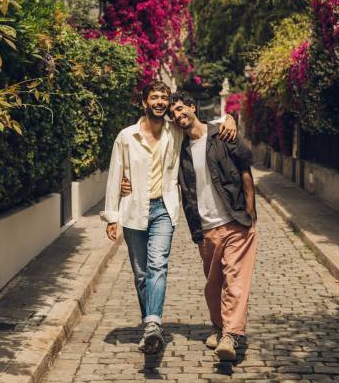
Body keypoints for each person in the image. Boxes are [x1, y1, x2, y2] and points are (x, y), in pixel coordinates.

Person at [100, 81, 237, 354]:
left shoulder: (175, 132)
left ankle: (152, 325)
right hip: (133, 209)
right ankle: (151, 325)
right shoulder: (126, 137)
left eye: (164, 97)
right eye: (155, 97)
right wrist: (112, 216)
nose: (161, 102)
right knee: (141, 274)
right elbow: (116, 175)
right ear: (144, 102)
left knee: (157, 265)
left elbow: (200, 123)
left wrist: (230, 118)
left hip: (164, 207)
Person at [124, 90, 257, 360]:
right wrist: (127, 184)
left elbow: (245, 166)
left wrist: (250, 211)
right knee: (213, 286)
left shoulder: (221, 134)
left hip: (235, 221)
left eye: (182, 109)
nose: (178, 115)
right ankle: (219, 327)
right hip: (205, 228)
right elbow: (152, 163)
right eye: (174, 113)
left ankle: (231, 336)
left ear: (194, 107)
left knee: (235, 282)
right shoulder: (178, 145)